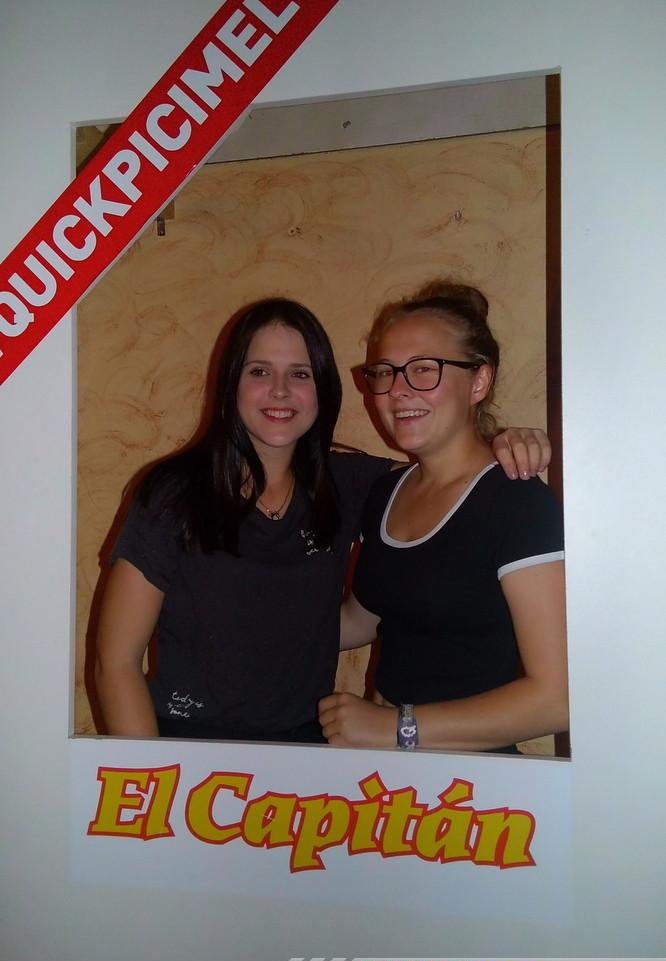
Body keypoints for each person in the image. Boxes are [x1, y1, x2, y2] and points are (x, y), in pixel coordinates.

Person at [95, 296, 552, 743]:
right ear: (231, 381)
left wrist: (501, 440)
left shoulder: (352, 485)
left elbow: (452, 479)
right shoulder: (174, 493)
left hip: (310, 755)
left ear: (322, 388)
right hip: (186, 746)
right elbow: (114, 663)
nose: (279, 390)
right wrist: (149, 778)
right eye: (259, 371)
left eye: (300, 373)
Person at [319, 281, 567, 753]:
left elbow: (556, 699)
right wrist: (253, 622)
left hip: (471, 784)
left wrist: (396, 728)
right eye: (385, 372)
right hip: (390, 774)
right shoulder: (386, 492)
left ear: (479, 382)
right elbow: (363, 619)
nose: (397, 390)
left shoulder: (517, 503)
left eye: (423, 369)